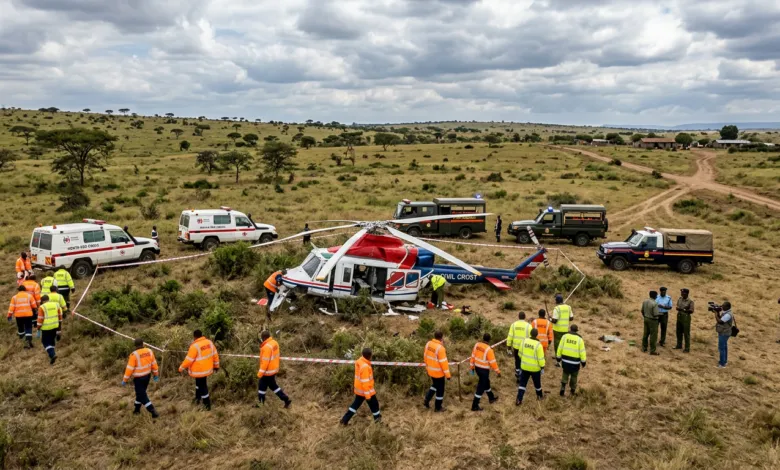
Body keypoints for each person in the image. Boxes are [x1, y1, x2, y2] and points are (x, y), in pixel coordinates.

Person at [179, 330, 220, 410]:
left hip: (199, 371)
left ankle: (207, 405)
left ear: (194, 337)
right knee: (198, 384)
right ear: (201, 335)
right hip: (207, 369)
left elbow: (188, 360)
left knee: (203, 386)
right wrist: (216, 366)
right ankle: (197, 398)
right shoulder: (209, 342)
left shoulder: (194, 346)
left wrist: (181, 368)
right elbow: (215, 355)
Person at [340, 347, 381, 425]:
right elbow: (365, 383)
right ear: (370, 356)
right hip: (366, 391)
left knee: (355, 405)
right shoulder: (365, 367)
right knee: (375, 405)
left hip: (360, 390)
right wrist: (368, 396)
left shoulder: (360, 361)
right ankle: (378, 421)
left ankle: (344, 420)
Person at [122, 338, 160, 418]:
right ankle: (136, 410)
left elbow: (129, 369)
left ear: (135, 345)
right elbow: (154, 364)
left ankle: (152, 411)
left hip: (139, 379)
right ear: (143, 344)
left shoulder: (134, 355)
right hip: (147, 377)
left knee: (142, 394)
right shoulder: (149, 351)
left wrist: (125, 380)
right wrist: (156, 374)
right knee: (140, 393)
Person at [257, 331, 291, 408]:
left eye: (261, 338)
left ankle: (260, 404)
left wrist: (259, 374)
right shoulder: (274, 343)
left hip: (267, 372)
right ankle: (286, 399)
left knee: (262, 387)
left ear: (263, 338)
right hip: (273, 370)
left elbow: (265, 362)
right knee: (273, 386)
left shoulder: (266, 347)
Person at [470, 333, 500, 411]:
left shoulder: (477, 345)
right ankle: (474, 406)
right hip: (484, 370)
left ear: (483, 338)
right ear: (489, 340)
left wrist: (472, 368)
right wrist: (498, 372)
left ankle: (491, 398)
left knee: (486, 382)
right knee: (480, 388)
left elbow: (472, 357)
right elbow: (493, 362)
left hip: (477, 369)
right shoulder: (489, 349)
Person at [516, 328, 545, 406]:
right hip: (535, 369)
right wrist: (542, 367)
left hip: (524, 367)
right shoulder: (538, 345)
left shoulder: (524, 341)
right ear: (537, 335)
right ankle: (540, 396)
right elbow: (541, 359)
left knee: (522, 384)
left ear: (530, 333)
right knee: (537, 384)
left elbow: (519, 354)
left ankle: (519, 399)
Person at [423, 331, 451, 412]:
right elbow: (444, 363)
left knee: (435, 385)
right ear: (442, 337)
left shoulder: (428, 344)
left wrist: (427, 367)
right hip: (438, 373)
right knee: (440, 390)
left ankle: (427, 399)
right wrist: (448, 375)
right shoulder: (440, 348)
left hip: (430, 370)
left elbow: (425, 356)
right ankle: (438, 407)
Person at [556, 324, 587, 396]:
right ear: (576, 330)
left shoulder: (564, 336)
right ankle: (572, 390)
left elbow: (560, 347)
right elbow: (582, 352)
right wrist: (583, 362)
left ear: (570, 329)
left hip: (565, 361)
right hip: (575, 363)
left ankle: (563, 387)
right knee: (574, 376)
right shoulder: (580, 339)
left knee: (565, 373)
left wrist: (558, 357)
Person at [36, 295, 62, 365]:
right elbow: (60, 317)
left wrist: (38, 328)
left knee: (45, 342)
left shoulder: (42, 307)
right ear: (48, 299)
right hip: (55, 326)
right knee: (52, 341)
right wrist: (59, 329)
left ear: (42, 301)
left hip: (46, 328)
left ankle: (52, 354)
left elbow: (40, 319)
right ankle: (52, 356)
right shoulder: (56, 305)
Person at [506, 311, 532, 381]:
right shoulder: (528, 326)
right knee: (523, 361)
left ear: (518, 317)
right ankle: (522, 374)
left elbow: (510, 337)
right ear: (525, 317)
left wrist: (508, 347)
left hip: (516, 347)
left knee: (517, 360)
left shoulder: (513, 325)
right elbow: (531, 338)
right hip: (525, 347)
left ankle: (517, 372)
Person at [551, 294, 574, 360]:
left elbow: (555, 320)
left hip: (557, 330)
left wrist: (550, 319)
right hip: (566, 329)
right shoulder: (568, 307)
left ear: (556, 301)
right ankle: (563, 355)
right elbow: (571, 318)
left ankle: (557, 357)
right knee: (564, 343)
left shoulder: (557, 308)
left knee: (557, 343)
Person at [715, 302, 734, 368]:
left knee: (721, 348)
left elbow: (720, 321)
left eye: (723, 306)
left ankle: (722, 364)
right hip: (725, 332)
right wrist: (717, 312)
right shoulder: (726, 312)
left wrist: (715, 314)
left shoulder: (728, 315)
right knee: (724, 347)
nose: (722, 307)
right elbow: (720, 318)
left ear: (728, 307)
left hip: (724, 333)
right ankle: (724, 361)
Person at [642, 291, 661, 355]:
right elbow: (655, 314)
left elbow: (642, 311)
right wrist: (660, 314)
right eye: (656, 295)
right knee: (653, 336)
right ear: (655, 296)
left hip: (646, 318)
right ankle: (652, 350)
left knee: (645, 334)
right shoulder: (654, 303)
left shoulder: (645, 301)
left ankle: (644, 348)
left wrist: (645, 316)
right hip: (653, 321)